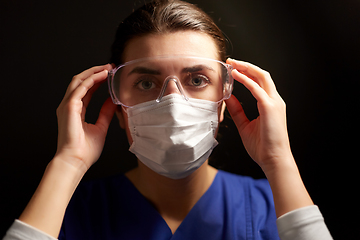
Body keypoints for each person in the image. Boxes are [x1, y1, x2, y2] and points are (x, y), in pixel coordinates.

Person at [3, 0, 332, 239]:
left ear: (223, 103)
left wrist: (279, 161)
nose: (173, 102)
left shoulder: (273, 205)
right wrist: (67, 163)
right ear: (118, 106)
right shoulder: (64, 212)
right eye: (146, 83)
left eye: (197, 80)